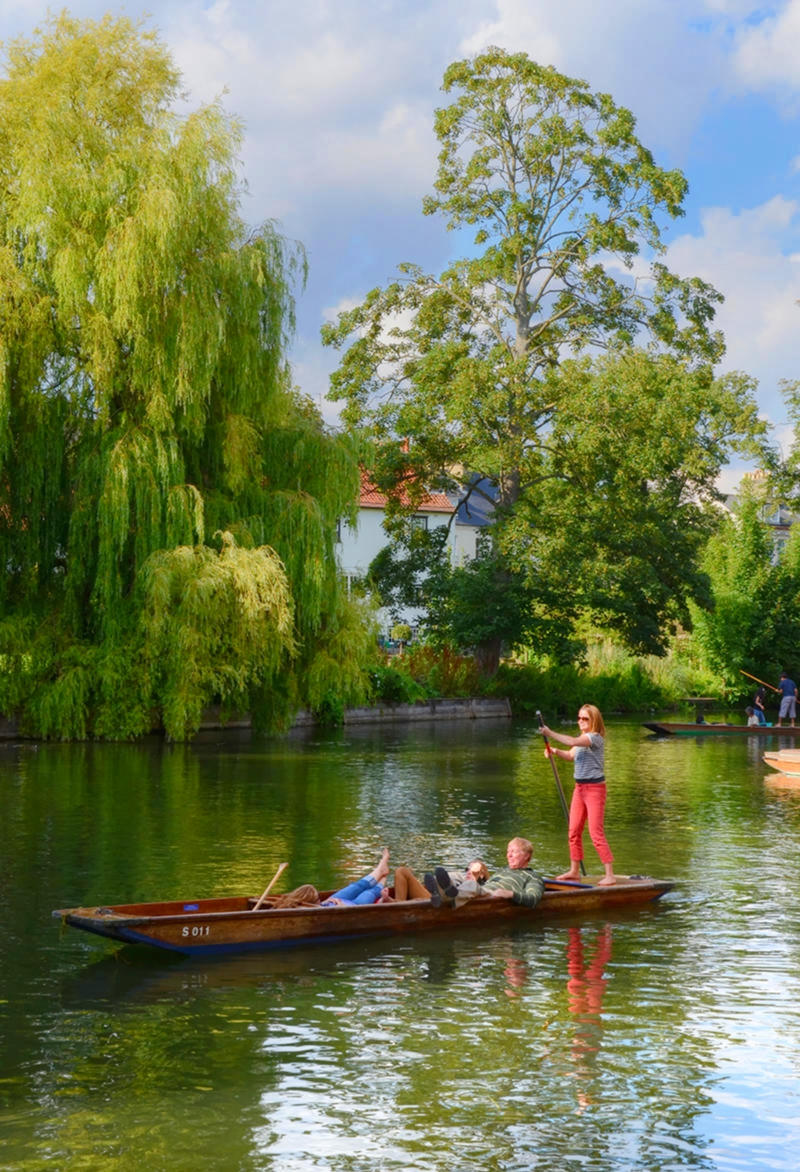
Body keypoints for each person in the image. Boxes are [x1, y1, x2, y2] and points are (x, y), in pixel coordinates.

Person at [540, 705, 618, 886]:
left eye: (585, 719)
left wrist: (550, 733)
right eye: (579, 718)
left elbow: (571, 742)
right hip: (579, 789)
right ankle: (574, 871)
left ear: (594, 721)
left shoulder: (594, 738)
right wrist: (555, 752)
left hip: (595, 790)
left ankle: (610, 874)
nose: (580, 721)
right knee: (573, 831)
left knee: (595, 833)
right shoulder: (582, 740)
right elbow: (570, 754)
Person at [432, 838, 545, 909]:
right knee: (457, 875)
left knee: (472, 885)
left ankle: (443, 895)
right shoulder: (503, 871)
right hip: (483, 890)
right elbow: (486, 884)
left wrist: (511, 894)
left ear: (526, 856)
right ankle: (437, 885)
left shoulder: (533, 877)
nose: (508, 855)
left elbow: (533, 898)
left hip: (492, 894)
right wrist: (476, 876)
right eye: (508, 852)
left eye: (514, 852)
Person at [321, 848, 391, 905]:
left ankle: (381, 870)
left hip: (327, 903)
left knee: (357, 885)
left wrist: (323, 903)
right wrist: (342, 907)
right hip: (352, 907)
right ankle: (383, 875)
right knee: (369, 893)